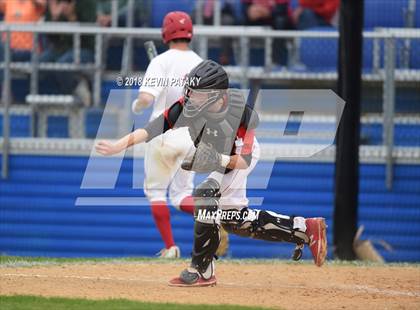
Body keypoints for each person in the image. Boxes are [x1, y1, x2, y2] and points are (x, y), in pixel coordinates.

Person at [95, 60, 328, 286]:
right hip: (221, 158)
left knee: (206, 194)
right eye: (190, 91)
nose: (190, 97)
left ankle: (201, 269)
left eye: (198, 93)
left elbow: (244, 160)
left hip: (238, 158)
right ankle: (305, 229)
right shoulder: (185, 108)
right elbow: (150, 130)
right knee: (236, 221)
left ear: (218, 94)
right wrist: (118, 146)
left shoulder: (240, 113)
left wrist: (218, 159)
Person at [131, 11, 228, 258]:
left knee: (155, 192)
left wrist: (136, 106)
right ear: (189, 33)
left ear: (166, 33)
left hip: (163, 134)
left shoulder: (160, 61)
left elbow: (146, 98)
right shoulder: (200, 62)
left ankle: (170, 247)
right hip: (192, 136)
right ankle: (213, 218)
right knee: (181, 195)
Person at [39, 0, 96, 105]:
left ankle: (79, 89)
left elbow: (90, 38)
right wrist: (54, 18)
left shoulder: (86, 3)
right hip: (60, 49)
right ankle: (45, 100)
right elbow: (51, 38)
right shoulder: (54, 3)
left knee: (64, 64)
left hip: (84, 49)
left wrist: (71, 18)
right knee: (37, 63)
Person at [242, 0, 294, 67]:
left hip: (274, 17)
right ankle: (242, 64)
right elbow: (245, 7)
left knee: (280, 21)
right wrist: (249, 12)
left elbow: (282, 9)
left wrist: (268, 12)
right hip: (254, 16)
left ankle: (275, 62)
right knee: (240, 21)